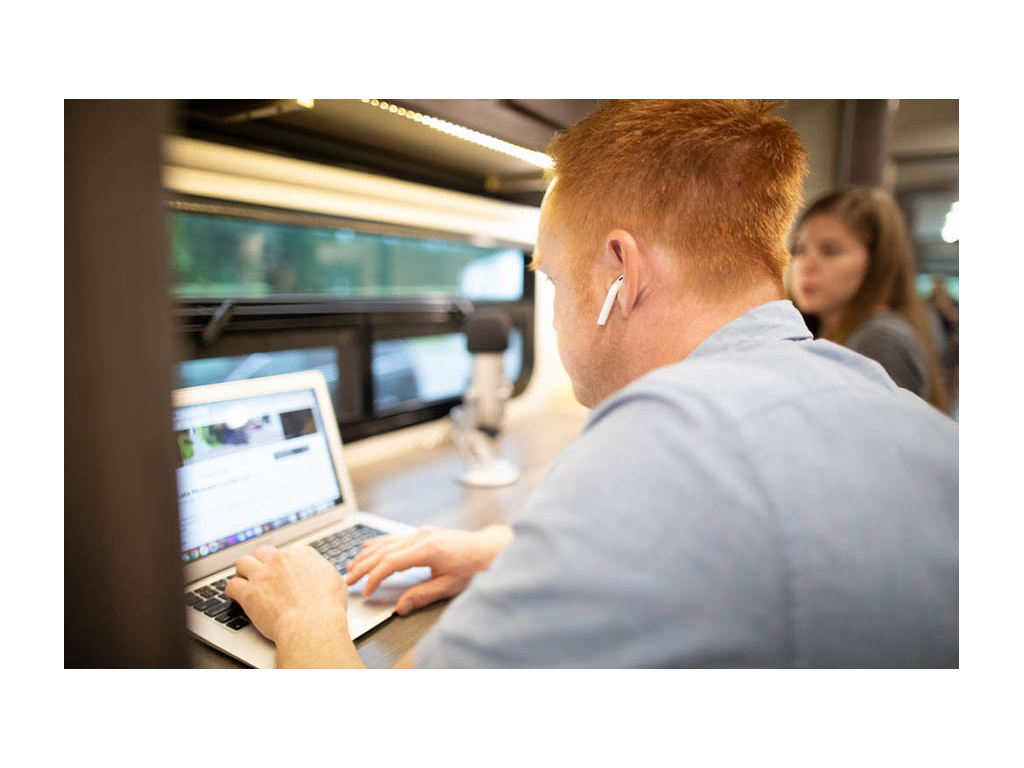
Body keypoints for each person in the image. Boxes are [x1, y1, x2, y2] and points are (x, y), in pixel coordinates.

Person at [225, 100, 958, 668]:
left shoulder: (664, 436)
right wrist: (509, 552)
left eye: (548, 276)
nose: (550, 307)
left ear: (619, 270)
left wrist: (307, 617)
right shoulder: (886, 401)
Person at [788, 187, 949, 413]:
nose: (806, 265)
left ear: (876, 262)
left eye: (830, 251)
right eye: (800, 249)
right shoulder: (824, 328)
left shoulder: (880, 339)